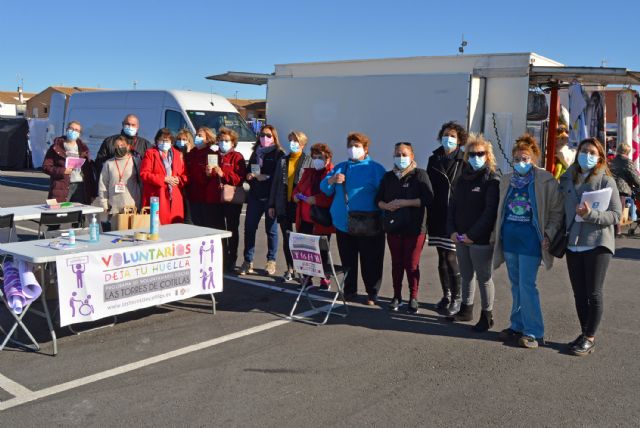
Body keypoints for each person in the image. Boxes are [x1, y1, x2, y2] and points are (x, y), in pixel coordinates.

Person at [493, 134, 564, 349]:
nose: (520, 163)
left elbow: (556, 211)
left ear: (533, 158)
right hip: (510, 240)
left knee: (527, 285)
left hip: (531, 242)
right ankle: (517, 325)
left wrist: (549, 234)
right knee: (516, 285)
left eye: (525, 159)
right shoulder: (506, 180)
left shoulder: (545, 180)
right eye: (517, 159)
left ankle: (534, 331)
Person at [559, 137, 621, 356]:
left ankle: (590, 337)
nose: (587, 155)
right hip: (573, 244)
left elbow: (615, 215)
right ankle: (584, 333)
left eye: (592, 152)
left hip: (597, 243)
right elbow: (559, 210)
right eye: (584, 151)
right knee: (578, 293)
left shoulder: (606, 180)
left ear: (600, 157)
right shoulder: (567, 178)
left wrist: (590, 214)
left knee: (593, 293)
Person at [321, 132, 386, 305]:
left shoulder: (376, 168)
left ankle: (372, 293)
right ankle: (350, 290)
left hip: (370, 224)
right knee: (348, 258)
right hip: (344, 224)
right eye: (350, 146)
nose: (352, 149)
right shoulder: (341, 167)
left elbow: (384, 195)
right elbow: (325, 188)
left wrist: (385, 220)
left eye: (356, 146)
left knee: (371, 259)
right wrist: (332, 180)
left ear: (365, 149)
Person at [446, 134, 500, 331]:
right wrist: (451, 231)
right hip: (460, 237)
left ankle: (487, 316)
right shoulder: (461, 180)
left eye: (480, 153)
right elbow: (452, 207)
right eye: (472, 154)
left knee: (484, 278)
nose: (476, 157)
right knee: (466, 275)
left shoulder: (492, 180)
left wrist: (473, 235)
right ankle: (465, 309)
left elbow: (489, 212)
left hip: (479, 240)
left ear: (488, 156)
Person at [376, 142, 433, 313]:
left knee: (412, 264)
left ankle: (413, 297)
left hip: (415, 229)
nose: (400, 158)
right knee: (397, 263)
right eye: (397, 154)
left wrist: (404, 203)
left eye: (404, 154)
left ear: (412, 156)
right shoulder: (388, 177)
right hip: (394, 228)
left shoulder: (420, 175)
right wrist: (387, 206)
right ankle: (396, 296)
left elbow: (428, 199)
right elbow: (378, 200)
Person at [426, 121, 467, 314]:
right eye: (445, 134)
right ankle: (447, 295)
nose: (448, 138)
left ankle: (458, 299)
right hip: (436, 213)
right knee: (441, 256)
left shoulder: (464, 159)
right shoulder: (434, 159)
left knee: (451, 256)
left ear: (459, 140)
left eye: (452, 135)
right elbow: (428, 186)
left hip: (455, 215)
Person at [239, 125, 285, 276]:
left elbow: (279, 178)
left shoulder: (279, 154)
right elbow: (248, 171)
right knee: (249, 228)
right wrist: (249, 177)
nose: (265, 138)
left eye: (268, 135)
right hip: (255, 197)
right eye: (263, 135)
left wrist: (267, 177)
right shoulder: (256, 152)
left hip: (270, 199)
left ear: (274, 137)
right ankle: (248, 261)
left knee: (271, 231)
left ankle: (271, 261)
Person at [268, 131, 312, 281]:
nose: (292, 143)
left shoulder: (308, 161)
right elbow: (275, 184)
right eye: (291, 140)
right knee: (288, 239)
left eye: (296, 141)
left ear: (303, 144)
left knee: (301, 240)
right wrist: (271, 204)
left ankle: (303, 272)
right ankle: (290, 268)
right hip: (283, 204)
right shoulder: (283, 160)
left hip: (300, 205)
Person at [292, 143, 336, 290]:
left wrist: (316, 200)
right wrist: (295, 196)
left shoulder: (332, 173)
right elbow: (298, 188)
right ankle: (306, 279)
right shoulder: (308, 172)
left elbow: (332, 196)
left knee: (322, 250)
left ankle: (325, 279)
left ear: (328, 158)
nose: (317, 160)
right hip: (305, 218)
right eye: (315, 157)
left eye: (321, 157)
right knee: (306, 251)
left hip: (321, 219)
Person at [209, 127, 247, 272]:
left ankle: (232, 258)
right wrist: (209, 172)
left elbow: (239, 178)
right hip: (215, 198)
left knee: (232, 229)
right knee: (218, 229)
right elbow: (209, 178)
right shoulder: (213, 155)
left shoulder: (237, 157)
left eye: (226, 140)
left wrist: (222, 173)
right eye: (221, 140)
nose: (223, 143)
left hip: (231, 198)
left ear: (232, 143)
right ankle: (221, 256)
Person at [140, 128, 187, 224]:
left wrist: (179, 179)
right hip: (157, 196)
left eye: (167, 140)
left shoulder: (178, 154)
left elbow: (184, 174)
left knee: (175, 227)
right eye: (162, 140)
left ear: (171, 142)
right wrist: (164, 179)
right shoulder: (150, 153)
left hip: (175, 197)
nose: (165, 142)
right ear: (157, 141)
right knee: (158, 227)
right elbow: (144, 174)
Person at [42, 121, 96, 204]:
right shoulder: (55, 147)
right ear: (66, 130)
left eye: (76, 130)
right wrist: (62, 171)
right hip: (61, 186)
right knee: (60, 213)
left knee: (77, 214)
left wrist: (92, 192)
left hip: (80, 186)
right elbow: (46, 167)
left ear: (79, 133)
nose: (73, 131)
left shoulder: (83, 149)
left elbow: (88, 171)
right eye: (71, 129)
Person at [97, 135, 142, 230]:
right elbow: (103, 185)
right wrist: (104, 203)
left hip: (132, 207)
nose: (119, 148)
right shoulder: (109, 163)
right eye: (116, 146)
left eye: (122, 145)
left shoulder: (136, 162)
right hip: (114, 208)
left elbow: (142, 183)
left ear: (128, 146)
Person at [184, 127, 218, 228]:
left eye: (200, 136)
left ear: (207, 139)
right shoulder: (191, 153)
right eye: (196, 135)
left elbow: (214, 174)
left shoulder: (211, 154)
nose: (197, 137)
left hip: (205, 197)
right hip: (192, 194)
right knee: (194, 224)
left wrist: (209, 174)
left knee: (205, 224)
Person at [610, 142, 640, 236]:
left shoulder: (613, 160)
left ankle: (615, 229)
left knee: (614, 209)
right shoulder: (627, 161)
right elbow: (633, 176)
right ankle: (617, 231)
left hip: (611, 186)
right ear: (627, 151)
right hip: (621, 188)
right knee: (619, 209)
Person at [175, 129, 195, 224]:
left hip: (189, 188)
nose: (181, 141)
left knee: (188, 216)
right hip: (177, 186)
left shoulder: (192, 153)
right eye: (179, 139)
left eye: (184, 139)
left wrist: (188, 152)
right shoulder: (173, 152)